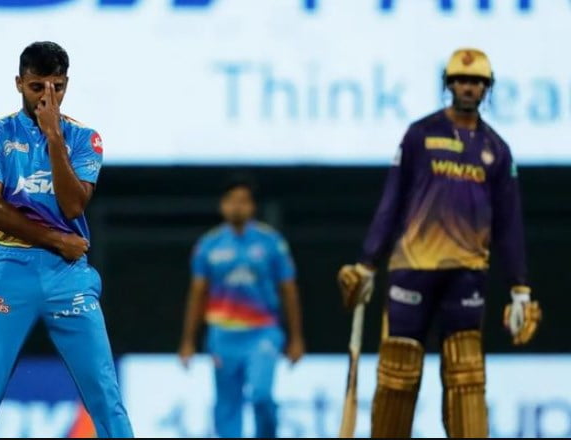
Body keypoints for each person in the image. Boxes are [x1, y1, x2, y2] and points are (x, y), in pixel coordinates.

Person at [337, 48, 542, 438]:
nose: (468, 88)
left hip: (466, 272)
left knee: (466, 376)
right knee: (397, 373)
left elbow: (509, 222)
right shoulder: (420, 135)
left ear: (487, 88)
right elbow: (392, 201)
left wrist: (520, 288)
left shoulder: (496, 150)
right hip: (414, 266)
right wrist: (368, 262)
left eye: (476, 82)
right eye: (461, 80)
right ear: (449, 85)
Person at [0, 41, 133, 438]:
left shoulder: (84, 138)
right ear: (19, 83)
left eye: (57, 87)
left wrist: (53, 136)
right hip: (8, 271)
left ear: (67, 85)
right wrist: (55, 240)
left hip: (68, 278)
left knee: (106, 398)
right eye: (37, 87)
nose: (47, 98)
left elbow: (72, 205)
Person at [178, 175, 305, 438]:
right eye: (231, 201)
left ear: (252, 206)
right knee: (227, 406)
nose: (237, 207)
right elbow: (198, 294)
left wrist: (296, 338)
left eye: (243, 201)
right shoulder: (209, 245)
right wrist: (188, 341)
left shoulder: (271, 242)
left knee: (261, 395)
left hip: (262, 332)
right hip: (223, 336)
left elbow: (289, 290)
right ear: (222, 205)